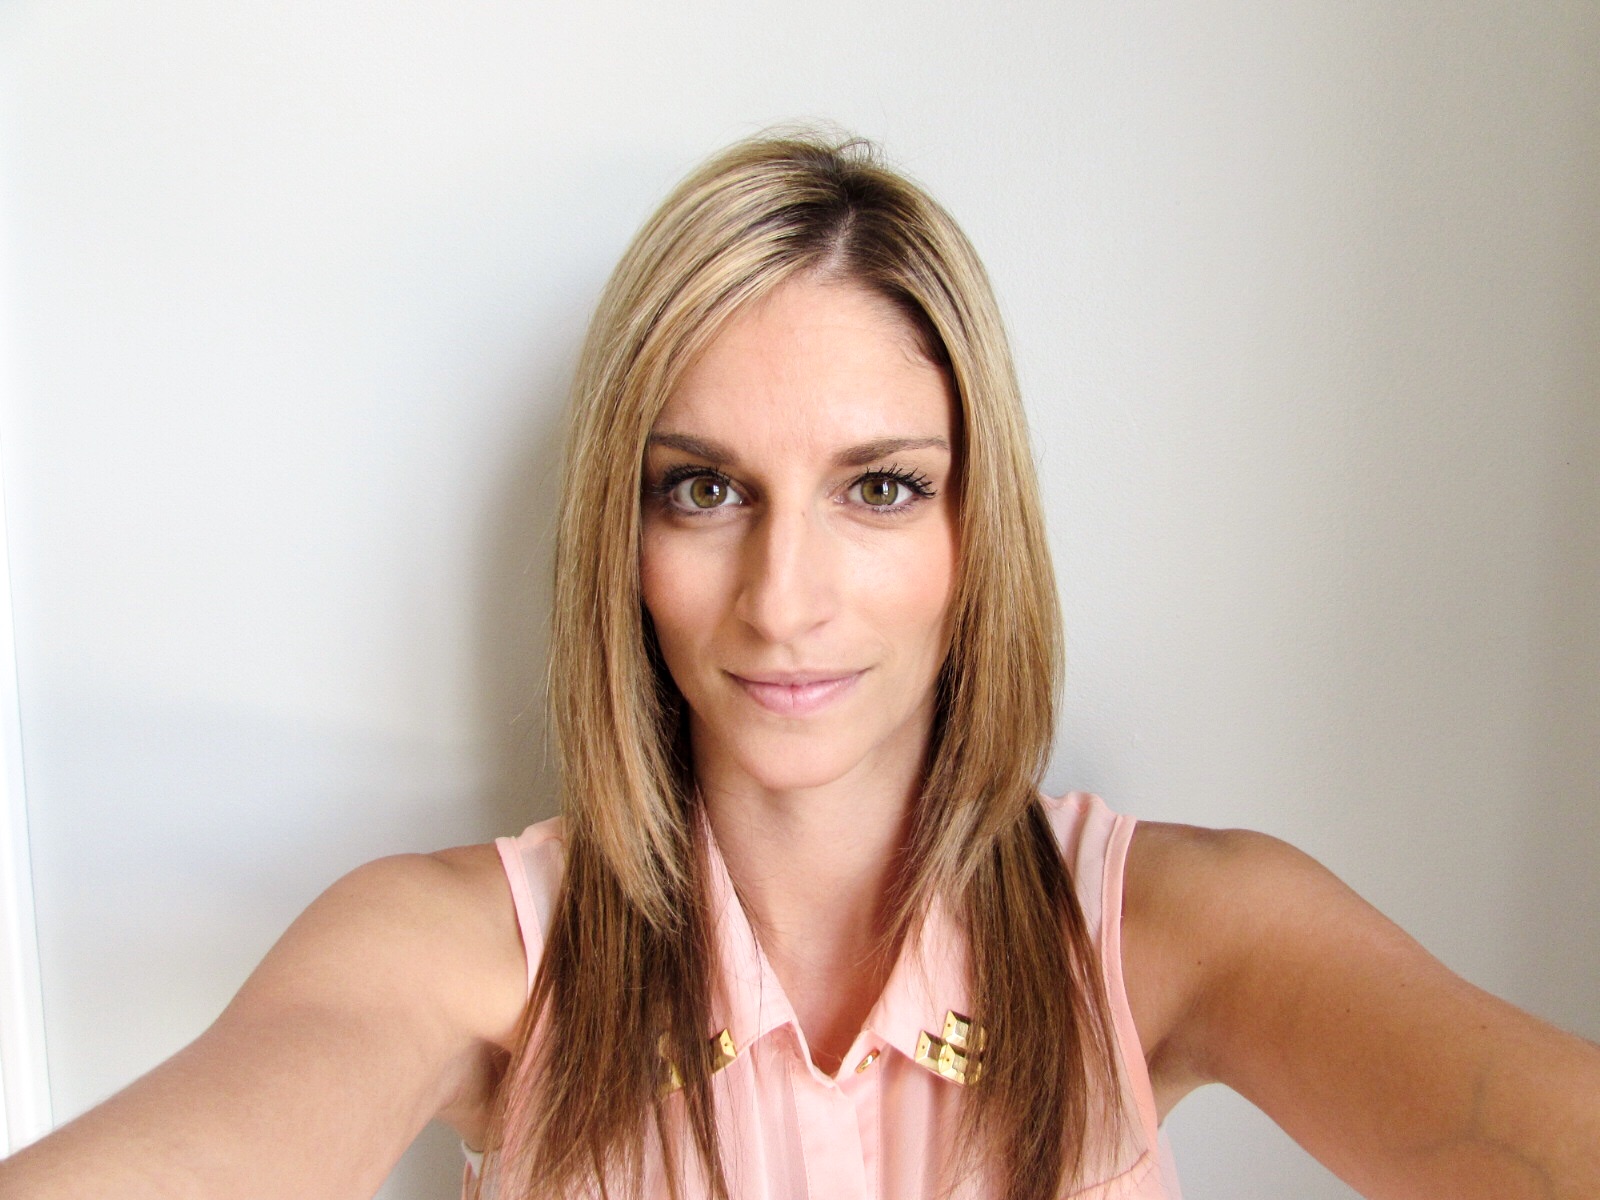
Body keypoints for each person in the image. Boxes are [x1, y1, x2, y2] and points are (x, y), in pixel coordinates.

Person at [2, 130, 1597, 1200]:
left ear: (977, 529)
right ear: (620, 536)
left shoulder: (1179, 931)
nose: (785, 600)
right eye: (704, 489)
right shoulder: (461, 953)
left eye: (879, 488)